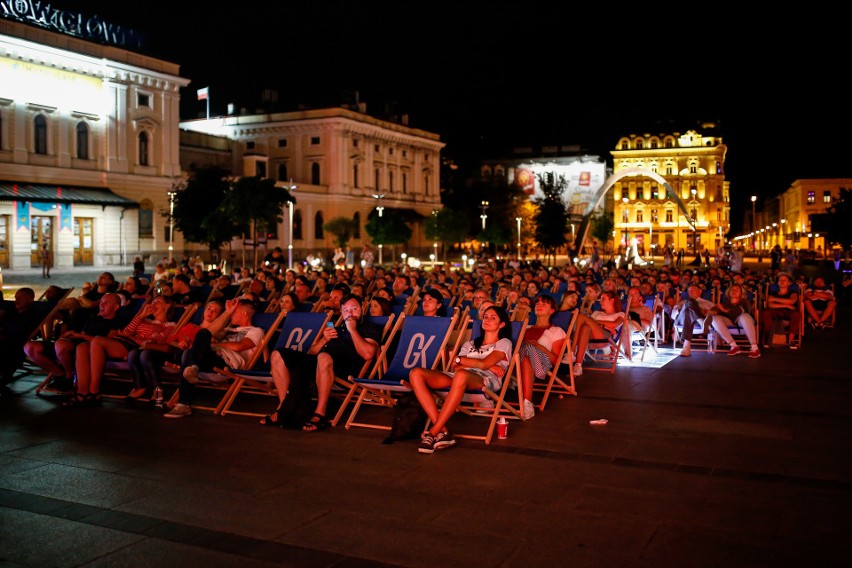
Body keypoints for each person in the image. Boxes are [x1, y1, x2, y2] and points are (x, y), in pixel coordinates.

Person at [259, 294, 382, 430]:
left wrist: (352, 329)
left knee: (323, 357)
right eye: (346, 310)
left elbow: (368, 354)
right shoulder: (336, 327)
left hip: (344, 370)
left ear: (362, 308)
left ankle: (320, 413)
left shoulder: (369, 328)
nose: (350, 313)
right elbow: (311, 352)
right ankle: (284, 408)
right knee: (278, 354)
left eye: (354, 309)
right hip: (320, 364)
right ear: (341, 311)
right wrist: (324, 339)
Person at [409, 305, 512, 454]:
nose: (487, 319)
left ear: (502, 324)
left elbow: (478, 364)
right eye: (486, 316)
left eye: (493, 317)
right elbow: (455, 366)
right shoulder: (469, 344)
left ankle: (432, 432)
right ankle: (443, 432)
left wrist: (466, 361)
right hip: (459, 377)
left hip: (484, 379)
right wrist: (486, 365)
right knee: (416, 374)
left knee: (461, 375)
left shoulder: (504, 343)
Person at [65, 295, 176, 407]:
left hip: (133, 346)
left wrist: (132, 337)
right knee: (82, 347)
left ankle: (94, 391)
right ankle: (82, 392)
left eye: (157, 301)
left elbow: (155, 341)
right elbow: (127, 332)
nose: (153, 304)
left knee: (97, 340)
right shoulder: (144, 320)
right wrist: (141, 316)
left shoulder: (170, 325)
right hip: (120, 341)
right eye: (152, 301)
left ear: (167, 306)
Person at [164, 298, 263, 418]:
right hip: (211, 357)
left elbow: (238, 347)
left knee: (190, 354)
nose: (231, 313)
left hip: (227, 362)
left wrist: (214, 345)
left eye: (234, 311)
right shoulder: (227, 330)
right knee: (196, 342)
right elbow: (207, 332)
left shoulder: (256, 331)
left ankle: (184, 402)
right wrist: (227, 312)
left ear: (244, 314)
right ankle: (192, 375)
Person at [125, 299, 226, 402]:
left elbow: (209, 347)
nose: (210, 312)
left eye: (215, 311)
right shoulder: (190, 326)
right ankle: (148, 388)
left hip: (189, 359)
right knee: (136, 353)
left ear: (220, 316)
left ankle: (157, 391)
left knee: (145, 354)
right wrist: (179, 343)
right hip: (175, 353)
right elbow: (170, 340)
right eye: (209, 308)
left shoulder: (217, 333)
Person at [23, 292, 124, 393]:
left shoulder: (117, 321)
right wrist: (69, 335)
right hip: (72, 344)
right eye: (101, 302)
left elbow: (107, 343)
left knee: (61, 345)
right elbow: (82, 332)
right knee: (30, 347)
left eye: (106, 303)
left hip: (87, 349)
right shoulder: (95, 317)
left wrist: (79, 335)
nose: (101, 305)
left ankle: (69, 376)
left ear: (116, 307)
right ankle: (59, 374)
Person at [516, 295, 567, 420]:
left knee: (526, 346)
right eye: (537, 303)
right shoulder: (525, 327)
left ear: (552, 311)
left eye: (544, 304)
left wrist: (539, 347)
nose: (539, 305)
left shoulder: (556, 331)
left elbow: (556, 360)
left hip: (542, 363)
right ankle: (527, 403)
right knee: (522, 349)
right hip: (519, 362)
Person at [571, 290, 626, 375]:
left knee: (582, 317)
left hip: (606, 337)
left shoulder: (620, 314)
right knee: (585, 327)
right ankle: (578, 365)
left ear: (612, 300)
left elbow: (614, 324)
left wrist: (598, 323)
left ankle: (572, 350)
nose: (600, 301)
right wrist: (602, 325)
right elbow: (588, 323)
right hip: (589, 337)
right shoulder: (597, 312)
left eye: (603, 299)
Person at [0, 288, 42, 385]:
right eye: (15, 298)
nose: (16, 300)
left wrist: (3, 320)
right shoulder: (12, 312)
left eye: (20, 298)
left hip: (14, 347)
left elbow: (16, 330)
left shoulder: (32, 315)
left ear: (30, 299)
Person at [708, 284, 761, 358]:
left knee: (743, 316)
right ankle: (734, 346)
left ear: (741, 293)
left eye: (737, 290)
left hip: (744, 322)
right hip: (730, 322)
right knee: (715, 318)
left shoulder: (745, 302)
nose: (734, 291)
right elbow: (716, 311)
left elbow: (738, 311)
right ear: (729, 292)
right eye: (732, 290)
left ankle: (755, 348)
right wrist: (711, 311)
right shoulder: (725, 304)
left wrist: (722, 309)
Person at [671, 284, 714, 357]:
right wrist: (682, 310)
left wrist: (704, 311)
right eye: (689, 290)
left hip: (694, 323)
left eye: (693, 290)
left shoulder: (708, 303)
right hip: (681, 320)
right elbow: (673, 315)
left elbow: (713, 315)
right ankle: (701, 322)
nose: (690, 292)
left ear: (700, 291)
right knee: (689, 303)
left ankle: (686, 346)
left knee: (688, 312)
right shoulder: (683, 302)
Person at [761, 272, 801, 349]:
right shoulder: (773, 292)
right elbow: (770, 304)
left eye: (784, 280)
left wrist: (776, 300)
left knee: (796, 314)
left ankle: (790, 340)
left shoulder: (793, 293)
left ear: (789, 283)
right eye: (780, 280)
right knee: (766, 312)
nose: (782, 281)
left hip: (788, 313)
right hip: (776, 312)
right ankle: (769, 338)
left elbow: (792, 301)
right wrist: (787, 305)